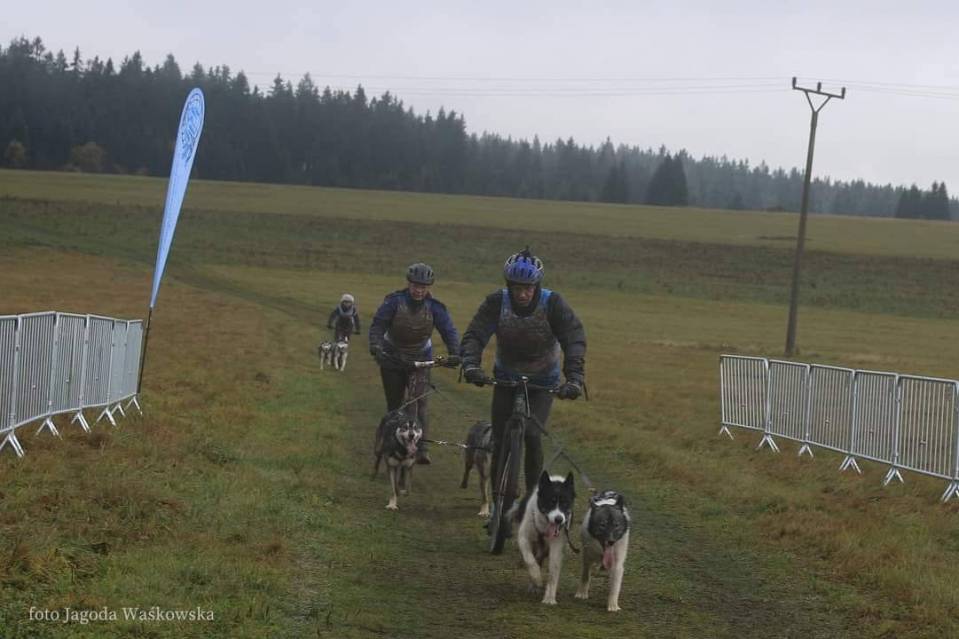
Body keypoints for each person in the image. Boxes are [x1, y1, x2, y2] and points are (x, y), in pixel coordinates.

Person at [460, 247, 586, 495]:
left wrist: (574, 378)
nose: (523, 294)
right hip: (506, 378)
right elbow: (475, 334)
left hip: (543, 381)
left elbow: (574, 338)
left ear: (537, 286)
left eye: (528, 288)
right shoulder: (496, 302)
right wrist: (471, 364)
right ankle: (498, 501)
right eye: (517, 288)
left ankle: (532, 498)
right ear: (509, 285)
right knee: (500, 440)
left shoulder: (553, 303)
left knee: (532, 435)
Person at [369, 263, 461, 465]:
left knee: (419, 404)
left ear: (429, 287)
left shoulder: (435, 307)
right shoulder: (394, 302)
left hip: (421, 359)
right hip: (392, 358)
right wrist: (375, 345)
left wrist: (456, 352)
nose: (419, 290)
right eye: (415, 286)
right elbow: (378, 325)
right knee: (395, 407)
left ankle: (422, 448)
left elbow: (449, 331)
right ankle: (392, 444)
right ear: (409, 284)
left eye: (423, 287)